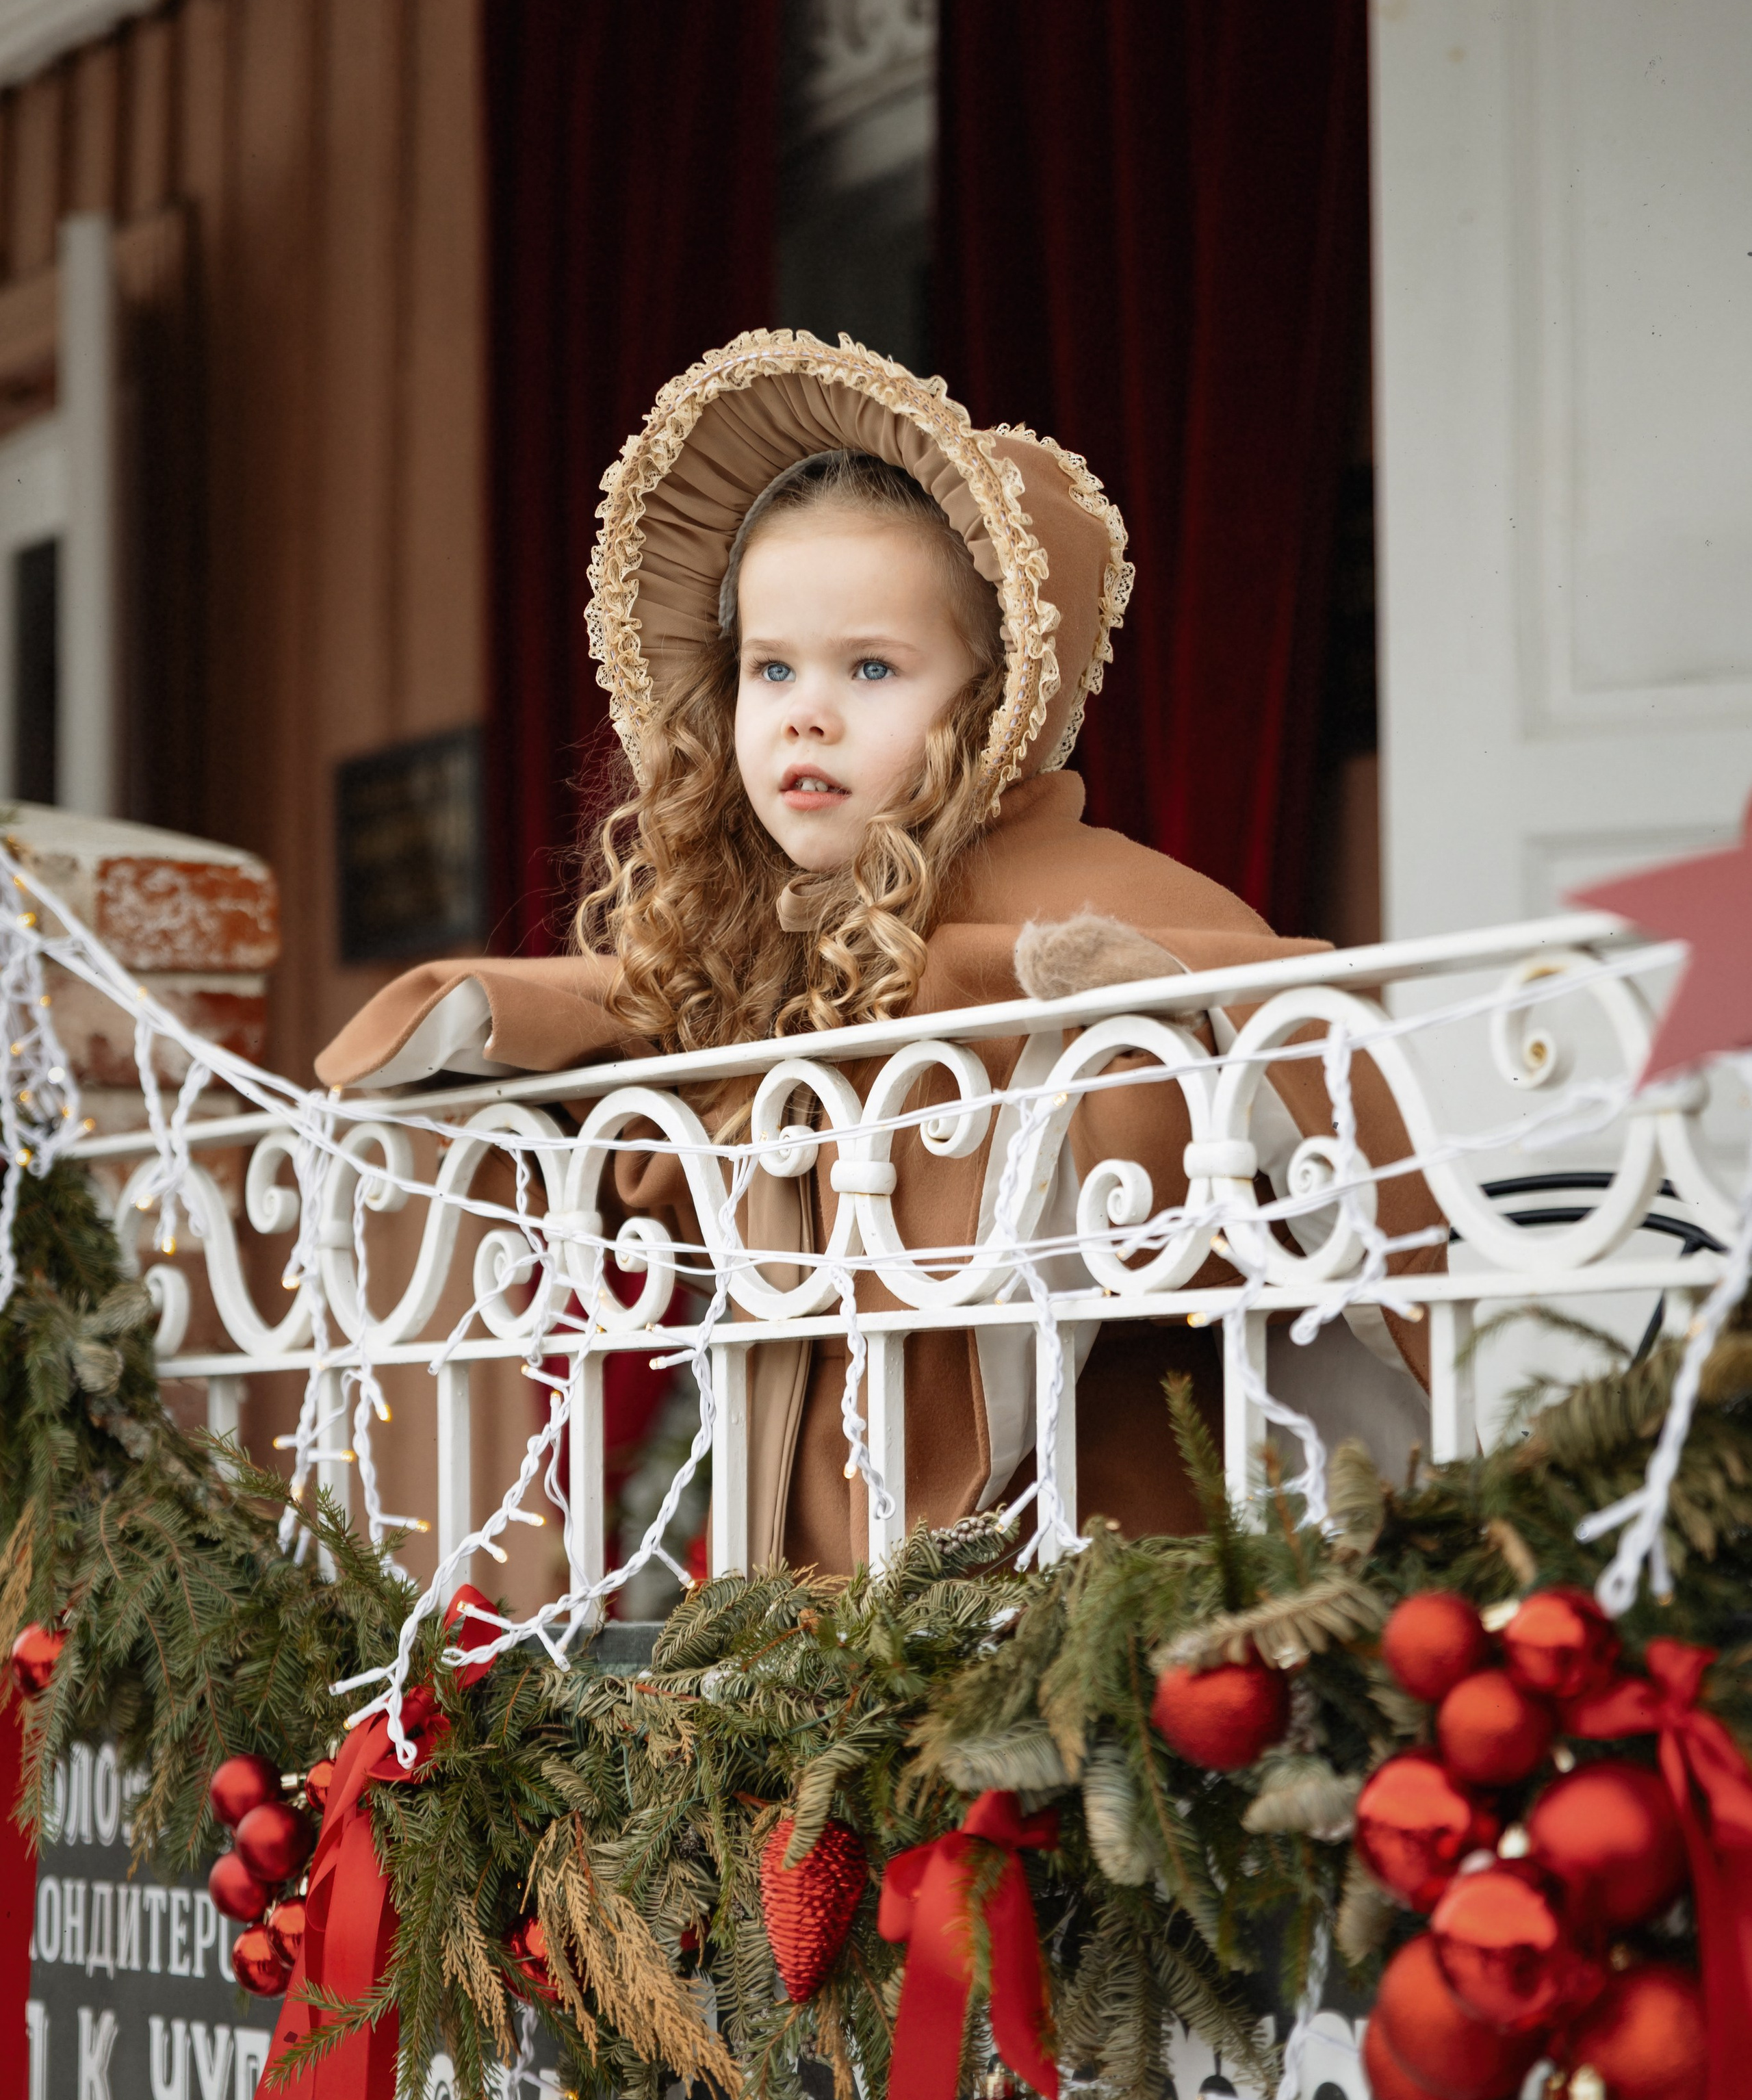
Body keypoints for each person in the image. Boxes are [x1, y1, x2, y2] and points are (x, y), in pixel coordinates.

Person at [319, 331, 1439, 1574]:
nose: (807, 709)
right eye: (769, 667)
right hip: (811, 1575)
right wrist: (499, 1017)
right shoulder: (750, 943)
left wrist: (1101, 1008)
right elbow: (658, 1101)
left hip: (1091, 1562)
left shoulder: (1077, 890)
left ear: (990, 698)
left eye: (871, 666)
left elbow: (1264, 1048)